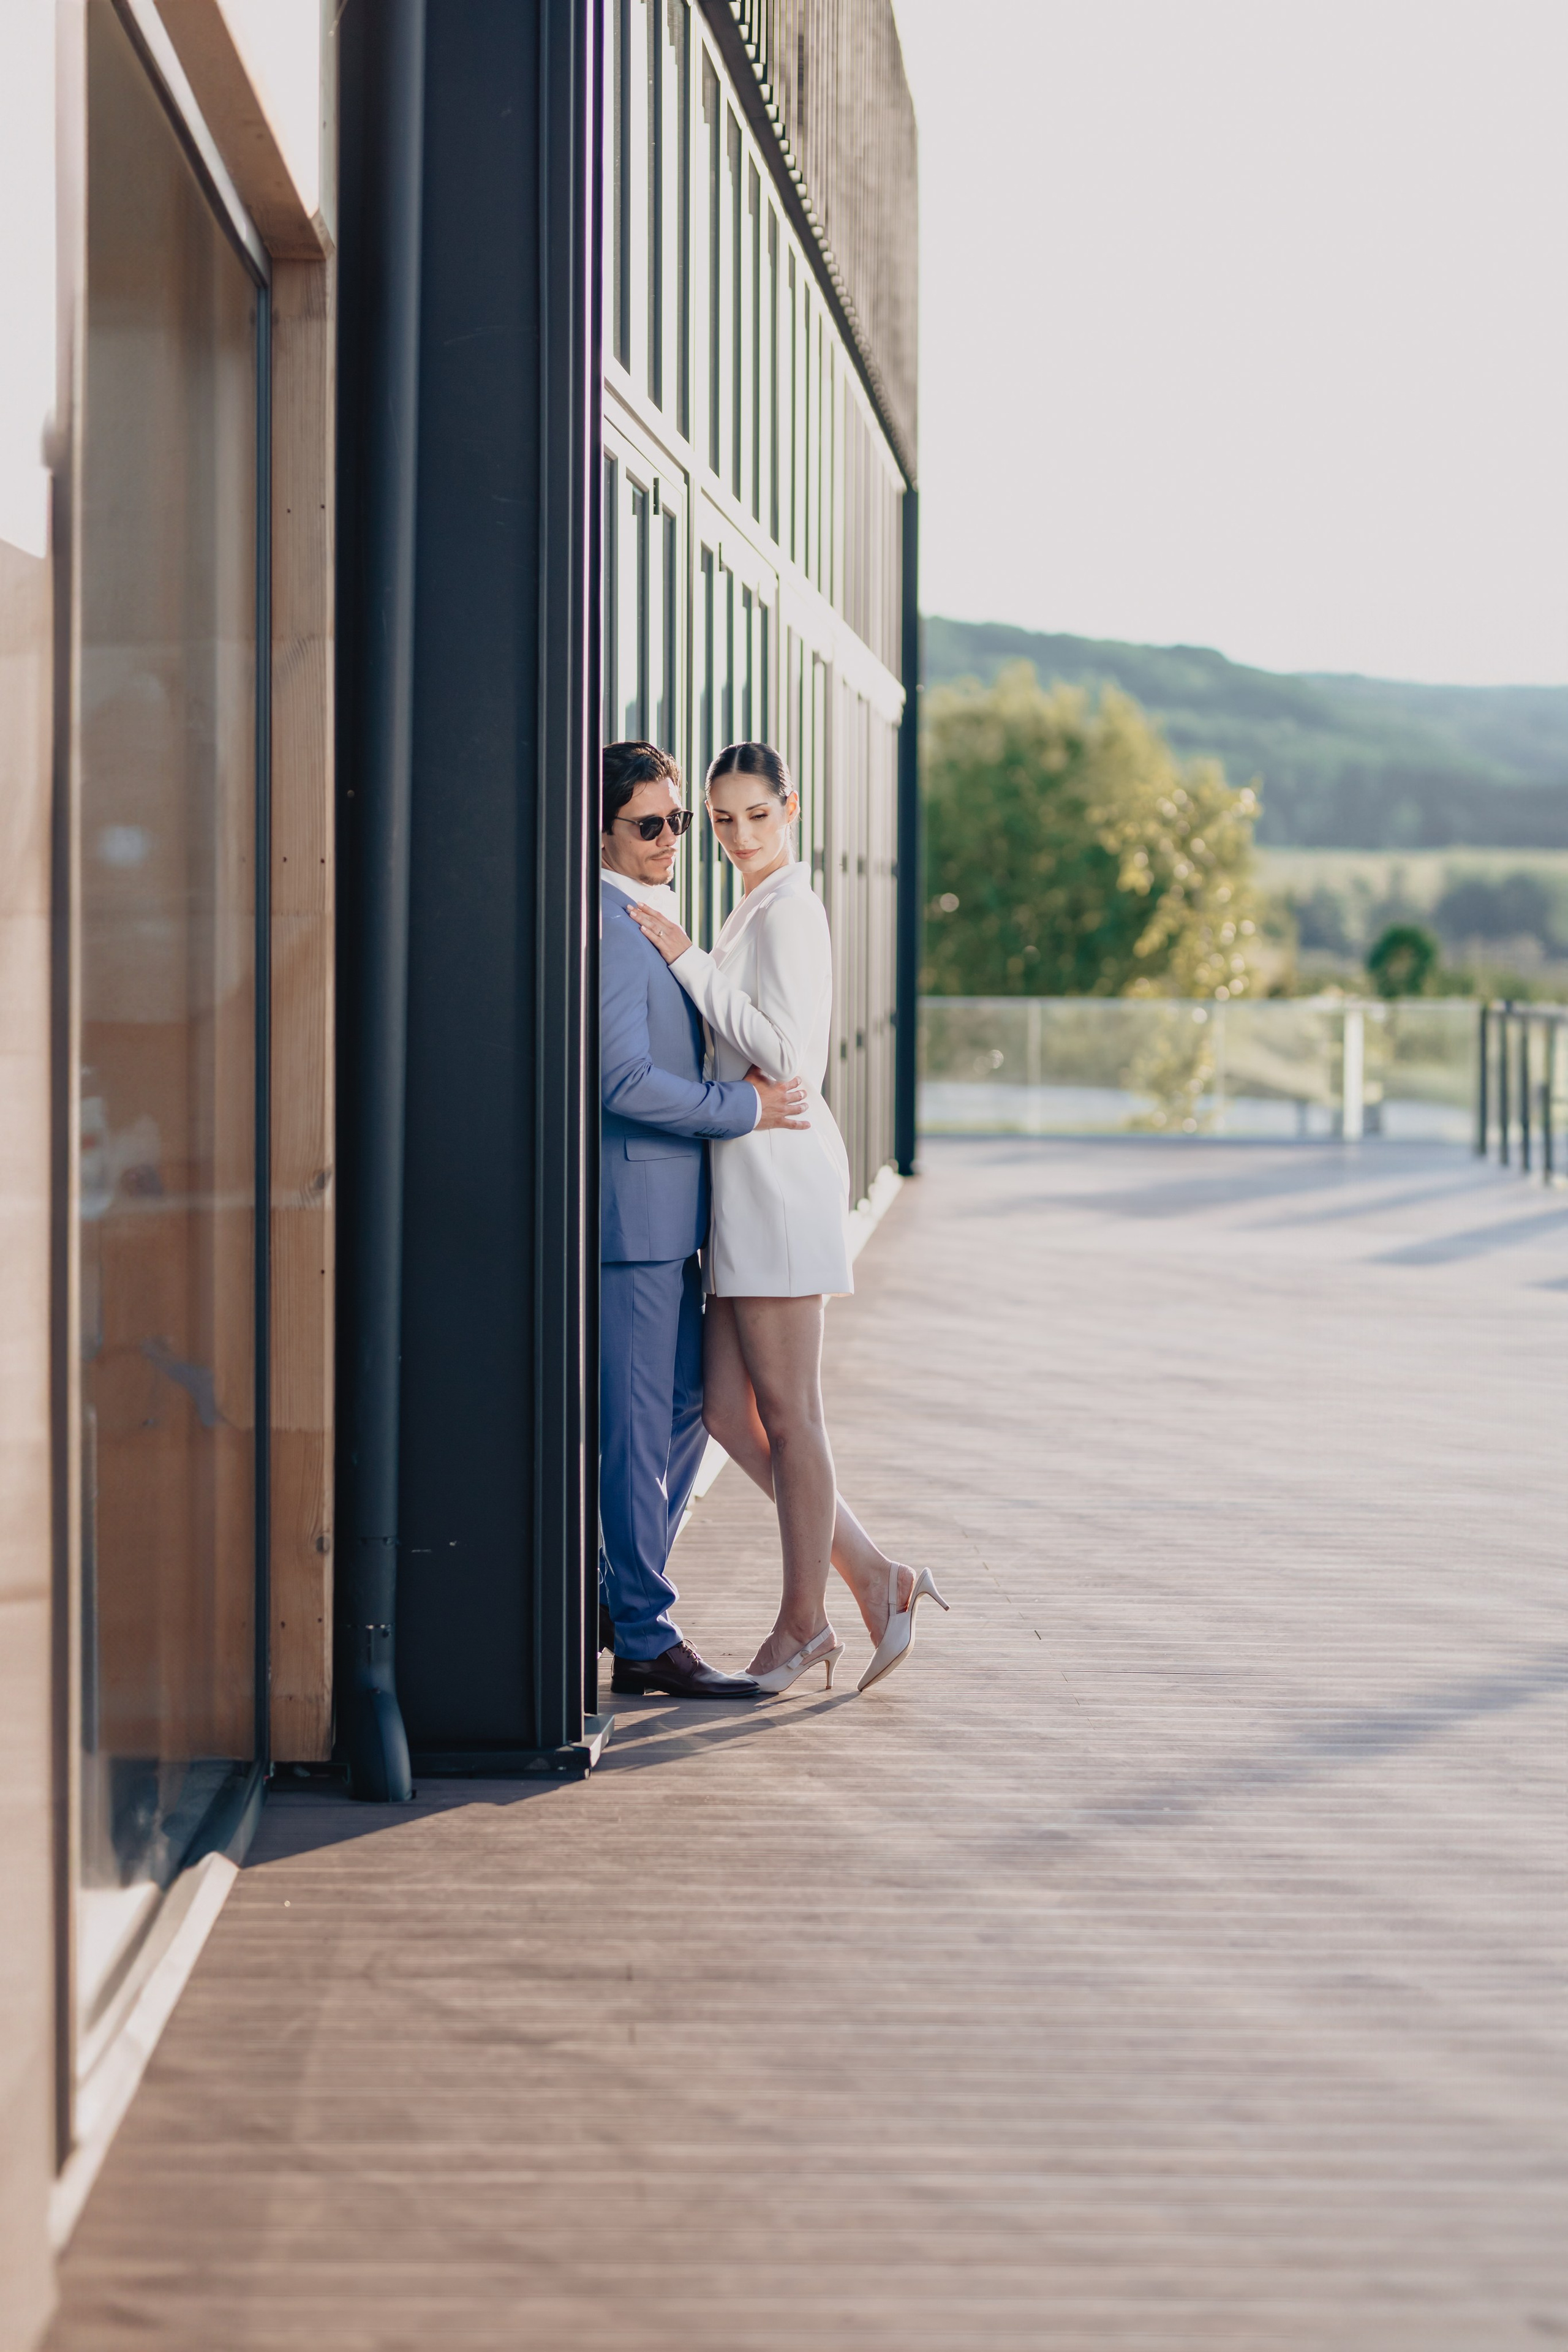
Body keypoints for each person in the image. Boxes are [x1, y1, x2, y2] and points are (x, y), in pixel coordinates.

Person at [625, 741, 949, 1696]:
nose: (735, 836)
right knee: (728, 1410)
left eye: (754, 816)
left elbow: (782, 1055)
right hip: (746, 1182)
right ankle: (873, 1575)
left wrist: (684, 960)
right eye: (718, 820)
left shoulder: (791, 911)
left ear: (790, 809)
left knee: (793, 1418)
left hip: (779, 1179)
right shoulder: (752, 905)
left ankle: (803, 1623)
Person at [598, 740, 810, 1700]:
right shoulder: (609, 927)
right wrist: (745, 1110)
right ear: (604, 831)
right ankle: (642, 1634)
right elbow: (622, 1082)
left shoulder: (656, 916)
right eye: (653, 824)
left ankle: (621, 1592)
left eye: (680, 822)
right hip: (633, 1224)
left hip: (674, 1218)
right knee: (645, 1431)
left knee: (690, 1409)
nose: (675, 839)